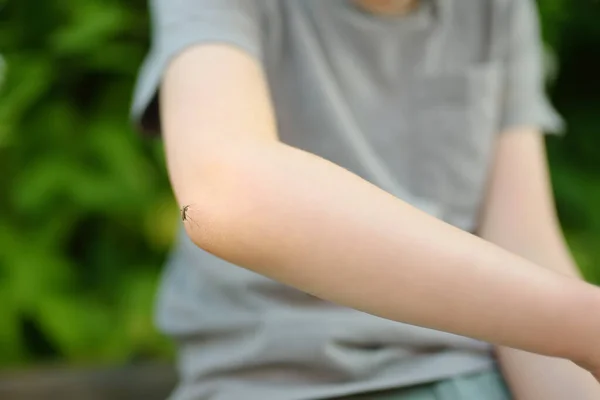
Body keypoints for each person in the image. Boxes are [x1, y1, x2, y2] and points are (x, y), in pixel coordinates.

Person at [131, 0, 600, 399]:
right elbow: (223, 197)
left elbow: (525, 243)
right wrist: (581, 322)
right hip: (274, 383)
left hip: (469, 374)